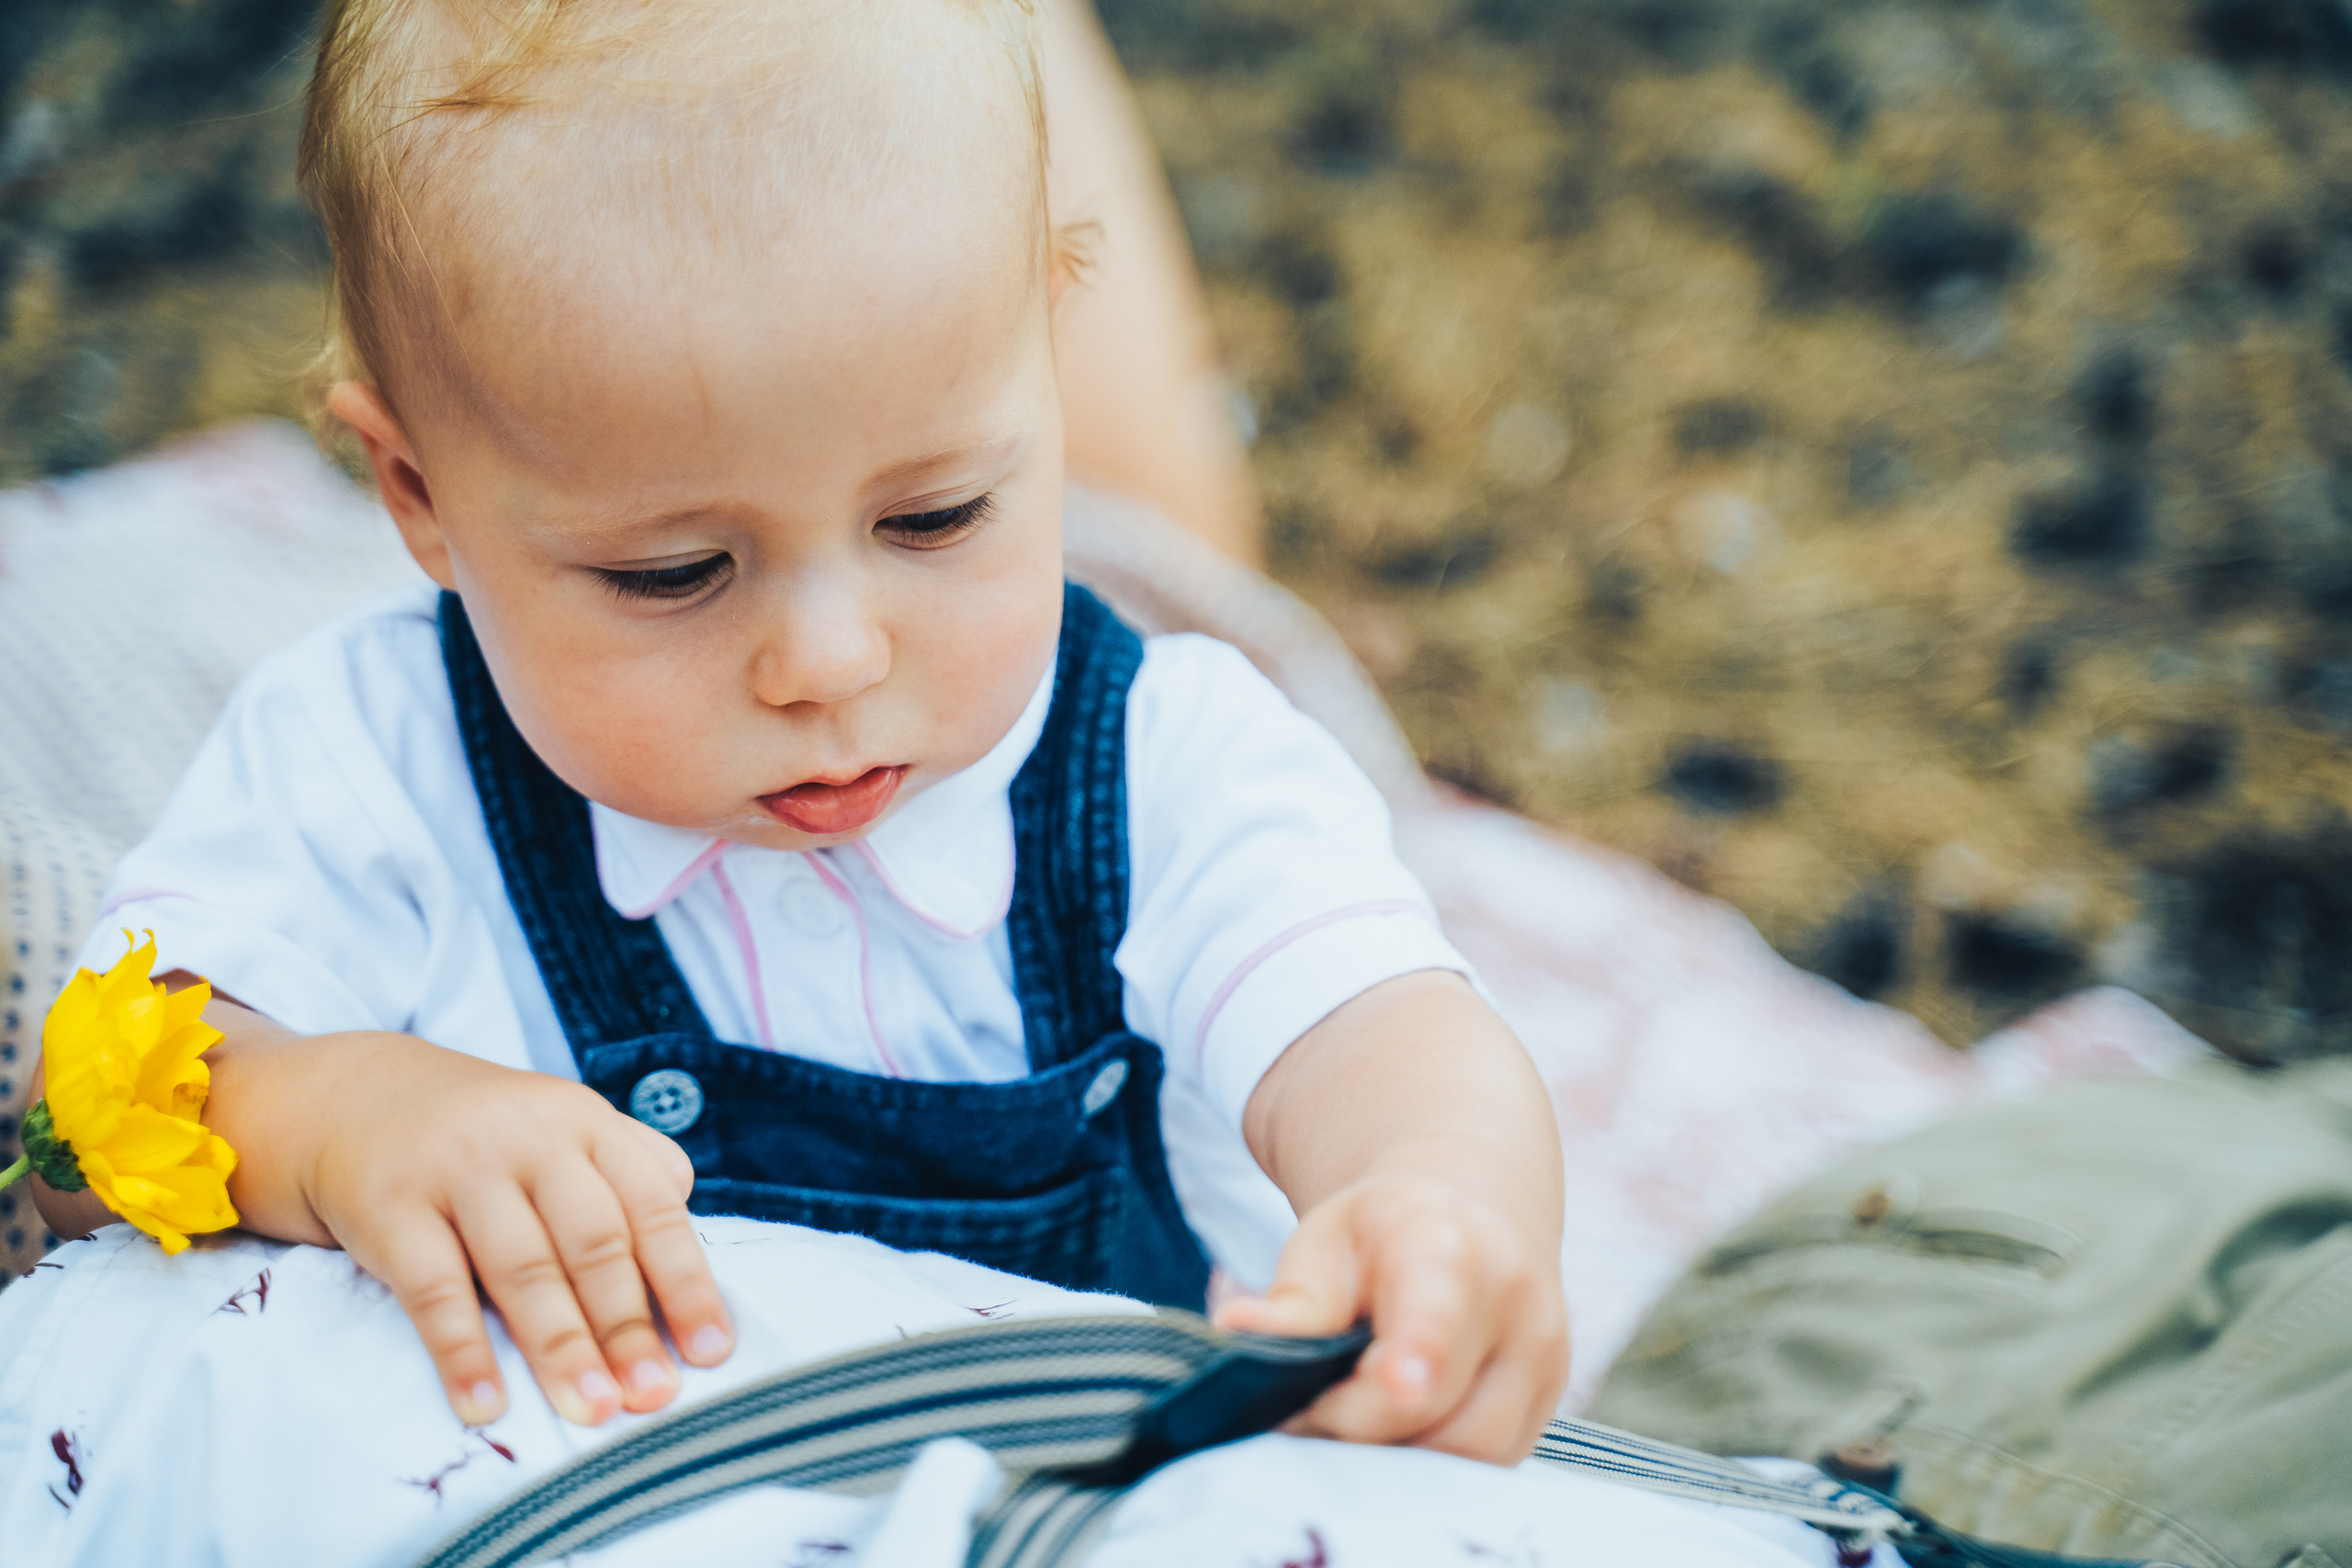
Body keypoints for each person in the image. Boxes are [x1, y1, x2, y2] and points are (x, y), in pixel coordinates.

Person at [26, 0, 1568, 1464]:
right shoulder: (366, 761)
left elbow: (1378, 1032)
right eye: (674, 572)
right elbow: (99, 1128)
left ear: (1043, 351)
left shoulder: (1163, 764)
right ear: (419, 494)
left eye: (938, 513)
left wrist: (1431, 1196)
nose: (830, 661)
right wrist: (341, 1111)